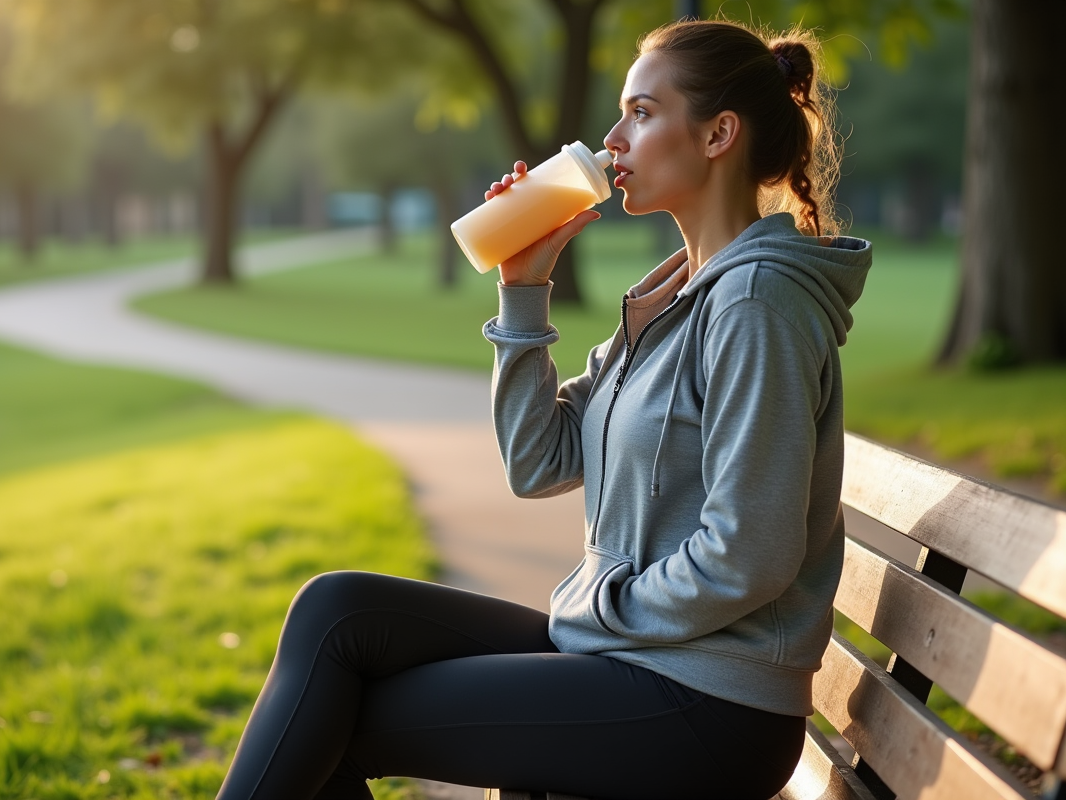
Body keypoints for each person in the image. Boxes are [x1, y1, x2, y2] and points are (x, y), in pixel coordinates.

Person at [216, 18, 871, 800]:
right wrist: (522, 291)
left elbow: (750, 554)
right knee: (337, 610)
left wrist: (603, 607)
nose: (612, 135)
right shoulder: (675, 300)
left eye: (642, 112)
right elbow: (539, 462)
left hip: (710, 703)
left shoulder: (756, 306)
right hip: (634, 653)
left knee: (336, 719)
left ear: (717, 134)